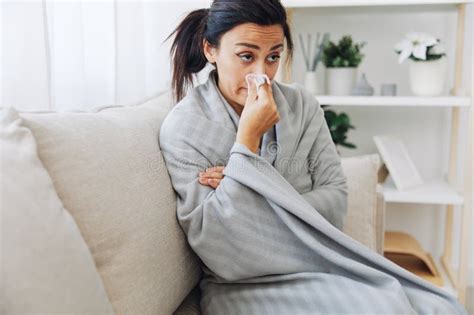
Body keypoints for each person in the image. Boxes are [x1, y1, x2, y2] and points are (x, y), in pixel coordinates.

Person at [159, 1, 466, 314]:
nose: (261, 75)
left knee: (434, 305)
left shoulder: (302, 105)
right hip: (243, 284)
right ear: (210, 49)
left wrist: (251, 186)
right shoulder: (184, 129)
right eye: (246, 56)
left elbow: (335, 200)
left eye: (273, 57)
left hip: (321, 263)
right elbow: (221, 247)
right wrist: (247, 143)